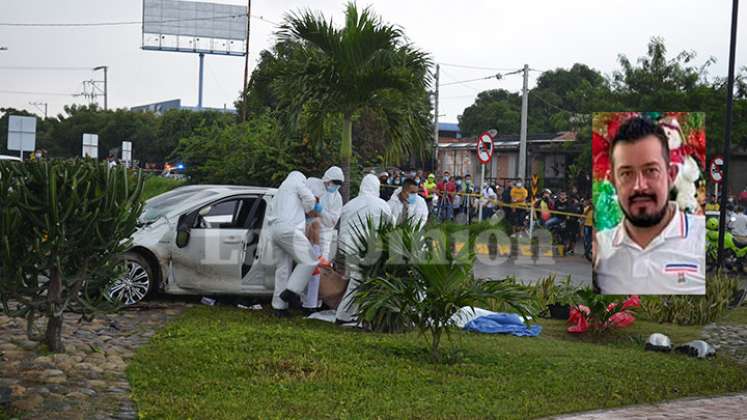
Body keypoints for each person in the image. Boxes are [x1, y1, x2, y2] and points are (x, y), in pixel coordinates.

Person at [595, 116, 705, 295]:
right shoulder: (601, 249)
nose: (639, 186)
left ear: (671, 175)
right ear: (614, 181)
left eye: (651, 171)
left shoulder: (701, 238)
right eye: (626, 174)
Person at [335, 174, 394, 324]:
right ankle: (347, 316)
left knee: (357, 280)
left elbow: (342, 227)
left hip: (347, 248)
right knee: (359, 281)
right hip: (368, 250)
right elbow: (389, 228)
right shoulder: (382, 205)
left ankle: (351, 315)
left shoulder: (350, 204)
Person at [269, 171, 320, 316]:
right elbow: (310, 199)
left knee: (283, 269)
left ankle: (279, 308)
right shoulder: (297, 183)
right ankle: (290, 293)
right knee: (310, 260)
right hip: (289, 229)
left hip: (274, 230)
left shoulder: (280, 190)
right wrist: (309, 209)